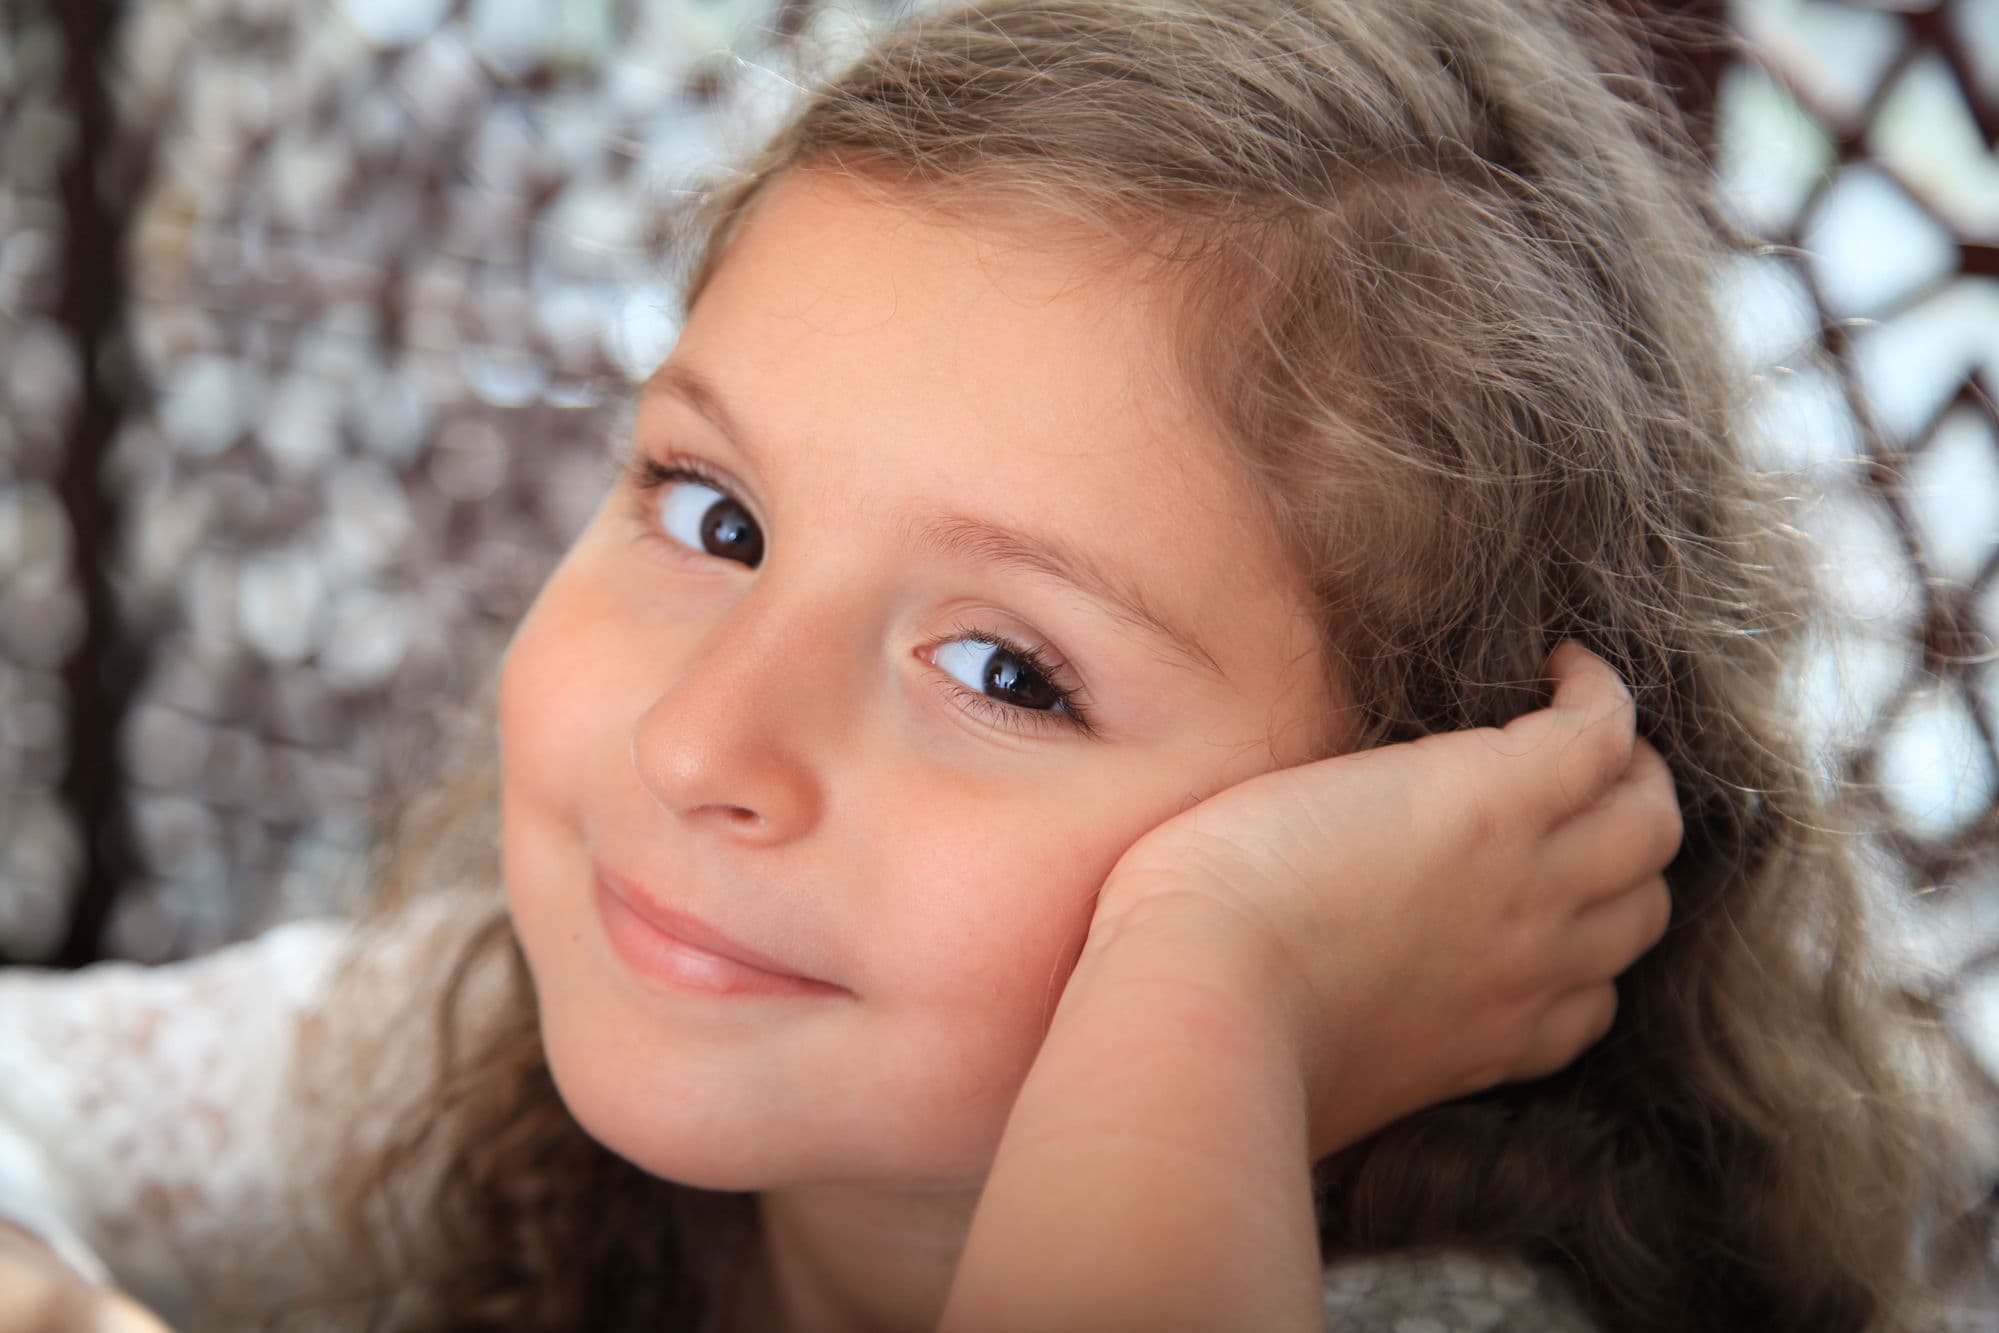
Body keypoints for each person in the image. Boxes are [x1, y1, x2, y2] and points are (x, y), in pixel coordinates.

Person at [1, 0, 1990, 1329]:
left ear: (1432, 839)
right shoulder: (490, 1045)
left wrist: (1212, 986)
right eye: (715, 516)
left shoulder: (1440, 1305)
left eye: (1008, 671)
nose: (708, 741)